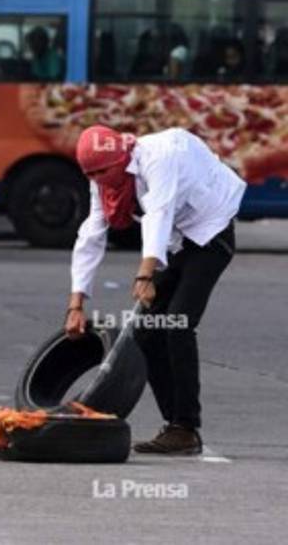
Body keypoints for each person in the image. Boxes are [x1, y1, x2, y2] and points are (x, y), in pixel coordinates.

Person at [65, 125, 245, 455]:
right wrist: (76, 304)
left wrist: (145, 276)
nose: (99, 180)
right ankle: (174, 427)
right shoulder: (102, 180)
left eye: (103, 171)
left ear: (122, 157)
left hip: (211, 230)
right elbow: (91, 234)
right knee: (145, 331)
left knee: (177, 323)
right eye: (91, 175)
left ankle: (187, 428)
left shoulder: (158, 158)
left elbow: (158, 213)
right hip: (177, 240)